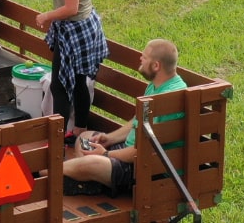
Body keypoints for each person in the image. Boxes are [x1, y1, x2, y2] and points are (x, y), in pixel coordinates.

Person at [63, 38, 186, 194]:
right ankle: (90, 178)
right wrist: (110, 139)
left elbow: (141, 151)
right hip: (128, 152)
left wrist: (106, 153)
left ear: (156, 66)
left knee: (92, 162)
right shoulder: (158, 84)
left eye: (145, 57)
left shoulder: (168, 100)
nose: (140, 59)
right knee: (85, 138)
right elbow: (137, 119)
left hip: (143, 168)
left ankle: (48, 174)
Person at [34, 0, 107, 140]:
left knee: (60, 86)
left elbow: (71, 8)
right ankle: (79, 131)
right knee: (78, 81)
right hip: (88, 27)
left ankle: (58, 138)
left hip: (72, 30)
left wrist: (46, 16)